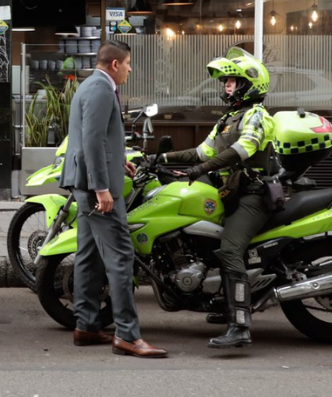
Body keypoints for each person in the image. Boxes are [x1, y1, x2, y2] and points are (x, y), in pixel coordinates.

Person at [161, 49, 277, 349]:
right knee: (203, 242)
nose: (226, 86)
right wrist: (159, 157)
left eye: (232, 81)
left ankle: (240, 325)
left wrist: (201, 169)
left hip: (253, 195)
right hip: (231, 194)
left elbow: (242, 150)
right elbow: (202, 151)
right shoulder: (228, 118)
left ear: (250, 84)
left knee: (228, 250)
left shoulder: (257, 116)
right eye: (225, 81)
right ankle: (222, 300)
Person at [60, 40, 167, 358]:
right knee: (120, 258)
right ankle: (128, 335)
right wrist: (102, 188)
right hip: (97, 189)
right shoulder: (101, 89)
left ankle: (88, 326)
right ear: (115, 64)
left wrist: (120, 160)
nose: (131, 69)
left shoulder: (89, 85)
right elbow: (91, 140)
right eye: (129, 63)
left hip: (87, 183)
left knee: (89, 258)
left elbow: (96, 136)